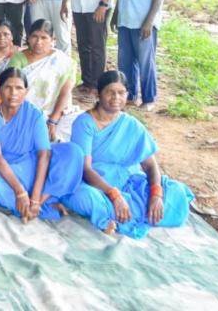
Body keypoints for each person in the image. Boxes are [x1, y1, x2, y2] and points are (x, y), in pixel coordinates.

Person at [61, 71, 194, 237]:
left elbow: (150, 164)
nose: (116, 97)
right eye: (110, 92)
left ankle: (124, 214)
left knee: (177, 192)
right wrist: (114, 195)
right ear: (98, 94)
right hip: (96, 185)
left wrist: (156, 194)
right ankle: (110, 214)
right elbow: (86, 170)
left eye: (121, 92)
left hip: (129, 183)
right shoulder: (85, 123)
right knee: (80, 196)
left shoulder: (131, 124)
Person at [0, 68, 84, 222]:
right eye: (8, 87)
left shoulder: (34, 114)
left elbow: (44, 154)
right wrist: (20, 192)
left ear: (26, 91)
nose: (13, 93)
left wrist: (35, 199)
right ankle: (40, 208)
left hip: (33, 165)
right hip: (7, 169)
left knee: (73, 152)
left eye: (19, 88)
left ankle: (38, 203)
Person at [7, 19, 76, 141]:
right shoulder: (18, 59)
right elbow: (12, 89)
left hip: (57, 112)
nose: (38, 42)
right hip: (24, 111)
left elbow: (65, 93)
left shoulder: (63, 61)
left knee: (76, 124)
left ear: (52, 40)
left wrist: (53, 120)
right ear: (28, 38)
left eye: (44, 38)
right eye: (34, 36)